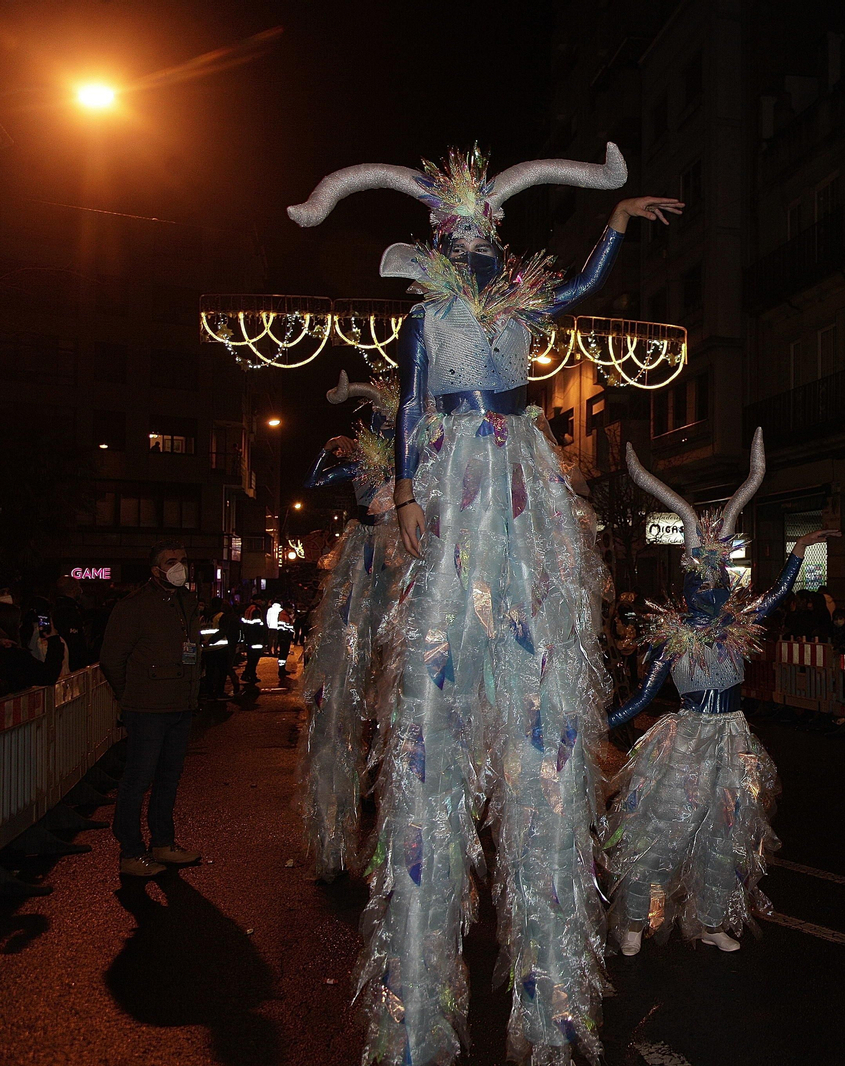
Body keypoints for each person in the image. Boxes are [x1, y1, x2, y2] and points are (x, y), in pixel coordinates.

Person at [288, 142, 679, 1066]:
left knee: (537, 649)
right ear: (440, 243)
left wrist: (614, 224)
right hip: (457, 477)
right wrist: (407, 491)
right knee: (441, 654)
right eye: (462, 235)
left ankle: (554, 989)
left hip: (519, 481)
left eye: (486, 233)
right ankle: (417, 1000)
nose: (476, 248)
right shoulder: (425, 317)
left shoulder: (523, 307)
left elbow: (579, 289)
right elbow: (412, 406)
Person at [602, 433, 836, 954]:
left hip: (732, 739)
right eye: (701, 576)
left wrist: (798, 551)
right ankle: (634, 921)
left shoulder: (738, 625)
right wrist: (595, 724)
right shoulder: (673, 637)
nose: (711, 585)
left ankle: (710, 922)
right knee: (663, 828)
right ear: (688, 579)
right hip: (687, 742)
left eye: (718, 574)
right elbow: (643, 698)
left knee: (725, 834)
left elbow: (776, 596)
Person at [297, 372, 400, 882]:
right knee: (343, 681)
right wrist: (328, 448)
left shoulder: (414, 466)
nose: (384, 430)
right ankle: (333, 837)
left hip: (401, 561)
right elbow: (313, 482)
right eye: (378, 421)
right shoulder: (364, 465)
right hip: (364, 567)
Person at [100, 540, 204, 878]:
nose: (180, 566)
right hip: (147, 710)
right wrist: (132, 696)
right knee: (138, 780)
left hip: (179, 704)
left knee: (168, 779)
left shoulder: (185, 601)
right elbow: (112, 659)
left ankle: (163, 843)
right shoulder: (134, 606)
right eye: (171, 561)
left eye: (183, 559)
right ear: (155, 569)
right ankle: (131, 852)